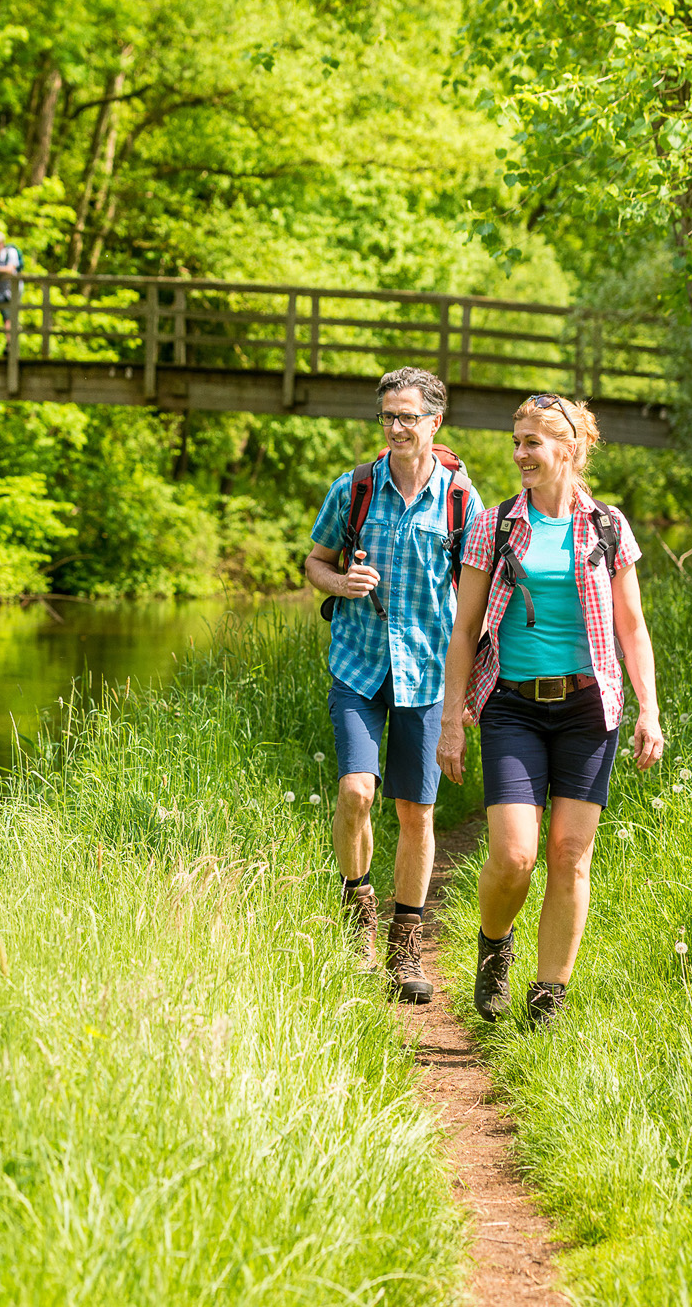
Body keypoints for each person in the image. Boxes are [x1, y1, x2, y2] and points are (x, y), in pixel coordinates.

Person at [436, 393, 665, 1028]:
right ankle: (494, 947)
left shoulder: (608, 527)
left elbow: (632, 628)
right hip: (513, 707)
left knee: (569, 853)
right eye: (516, 441)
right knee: (515, 856)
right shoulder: (494, 526)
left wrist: (648, 710)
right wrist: (452, 721)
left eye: (532, 442)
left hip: (589, 709)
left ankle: (547, 1001)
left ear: (571, 448)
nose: (519, 454)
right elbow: (464, 631)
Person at [304, 367, 484, 1004]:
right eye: (388, 416)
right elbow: (315, 562)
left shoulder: (461, 502)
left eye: (408, 416)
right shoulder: (352, 489)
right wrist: (339, 583)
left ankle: (405, 947)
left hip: (429, 673)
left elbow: (476, 599)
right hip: (358, 664)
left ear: (435, 422)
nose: (396, 427)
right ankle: (359, 918)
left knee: (416, 812)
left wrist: (470, 689)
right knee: (356, 791)